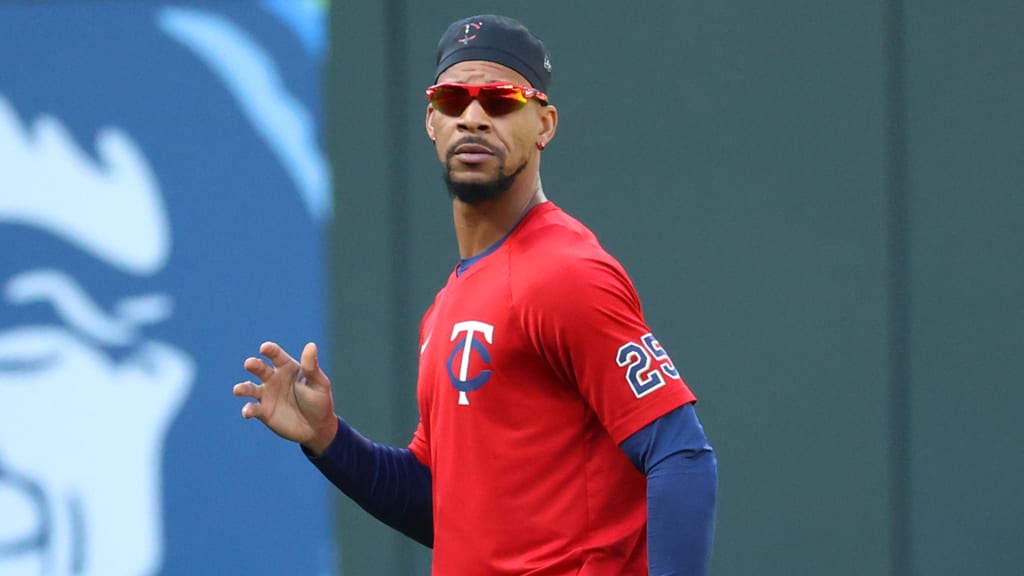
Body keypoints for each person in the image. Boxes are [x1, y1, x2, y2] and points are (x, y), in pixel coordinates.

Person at [234, 14, 718, 575]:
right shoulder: (447, 305)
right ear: (431, 122)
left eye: (500, 100)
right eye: (454, 99)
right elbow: (441, 505)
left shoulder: (567, 273)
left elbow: (682, 456)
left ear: (545, 124)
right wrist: (329, 440)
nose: (474, 118)